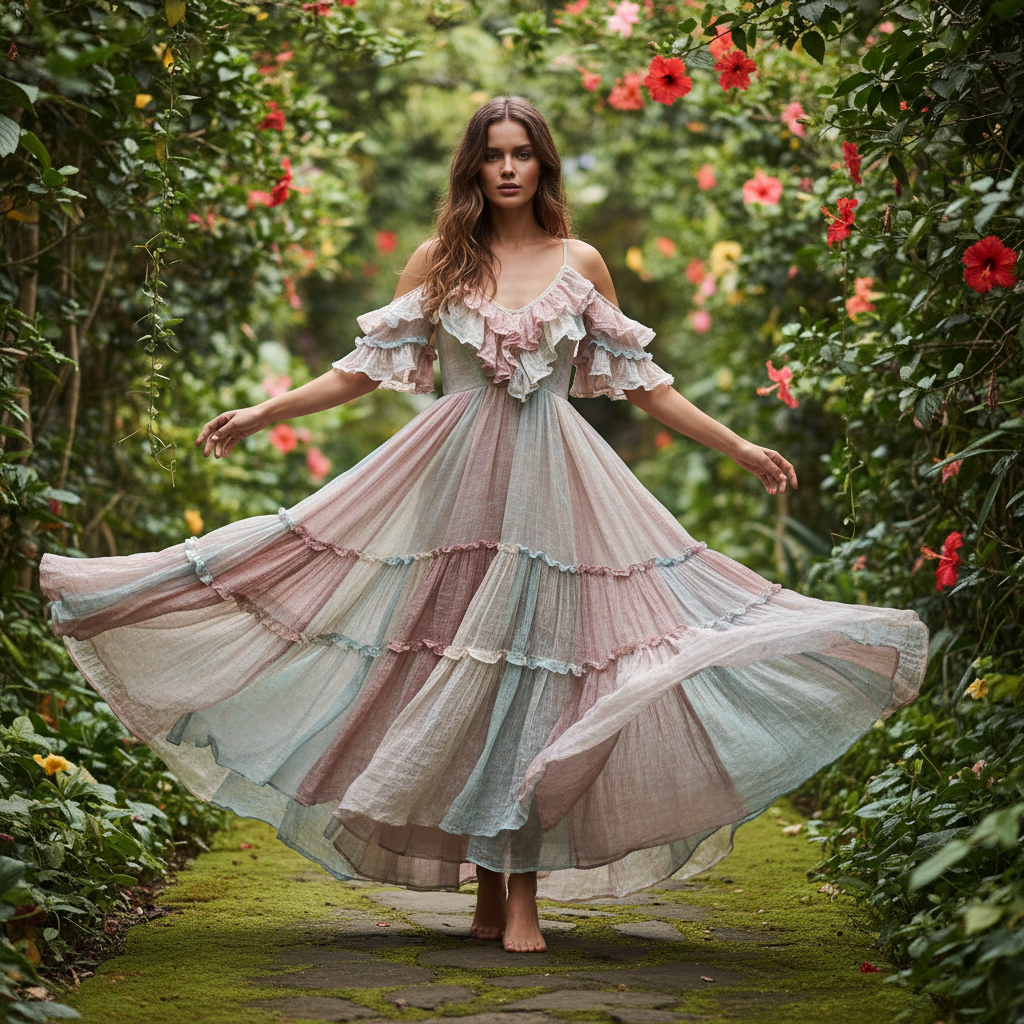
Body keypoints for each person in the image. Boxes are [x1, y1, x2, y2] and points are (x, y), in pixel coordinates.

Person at [40, 97, 928, 955]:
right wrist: (260, 414)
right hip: (454, 491)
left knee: (546, 675)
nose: (507, 168)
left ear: (542, 162)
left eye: (521, 153)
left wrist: (738, 445)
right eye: (493, 154)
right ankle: (487, 879)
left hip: (556, 489)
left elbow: (645, 385)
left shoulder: (581, 262)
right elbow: (360, 373)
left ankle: (521, 888)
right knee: (455, 670)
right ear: (474, 166)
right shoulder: (438, 260)